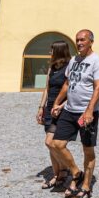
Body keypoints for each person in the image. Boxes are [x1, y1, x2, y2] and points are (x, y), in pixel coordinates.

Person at [50, 29, 99, 198]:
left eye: (83, 40)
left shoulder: (97, 62)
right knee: (57, 144)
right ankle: (76, 172)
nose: (79, 43)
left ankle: (86, 187)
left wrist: (89, 110)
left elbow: (98, 87)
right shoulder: (74, 60)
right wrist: (57, 103)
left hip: (86, 113)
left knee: (87, 150)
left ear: (91, 41)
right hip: (69, 110)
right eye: (77, 40)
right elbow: (67, 83)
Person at [35, 40, 71, 189]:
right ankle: (58, 173)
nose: (49, 53)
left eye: (51, 51)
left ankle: (67, 170)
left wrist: (61, 105)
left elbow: (71, 90)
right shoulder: (52, 67)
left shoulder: (69, 68)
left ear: (59, 52)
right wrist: (41, 107)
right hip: (49, 108)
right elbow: (47, 88)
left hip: (61, 110)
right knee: (51, 145)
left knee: (50, 142)